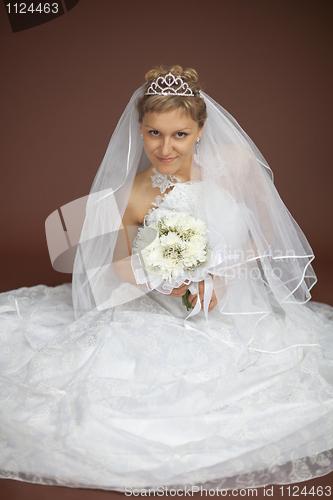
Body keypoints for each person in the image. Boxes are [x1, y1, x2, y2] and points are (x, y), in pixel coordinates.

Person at [0, 65, 332, 493]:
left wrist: (222, 281)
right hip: (165, 309)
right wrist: (163, 279)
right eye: (154, 133)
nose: (166, 147)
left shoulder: (235, 164)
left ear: (200, 130)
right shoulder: (135, 192)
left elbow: (264, 234)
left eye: (180, 134)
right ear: (140, 130)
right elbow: (121, 267)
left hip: (233, 302)